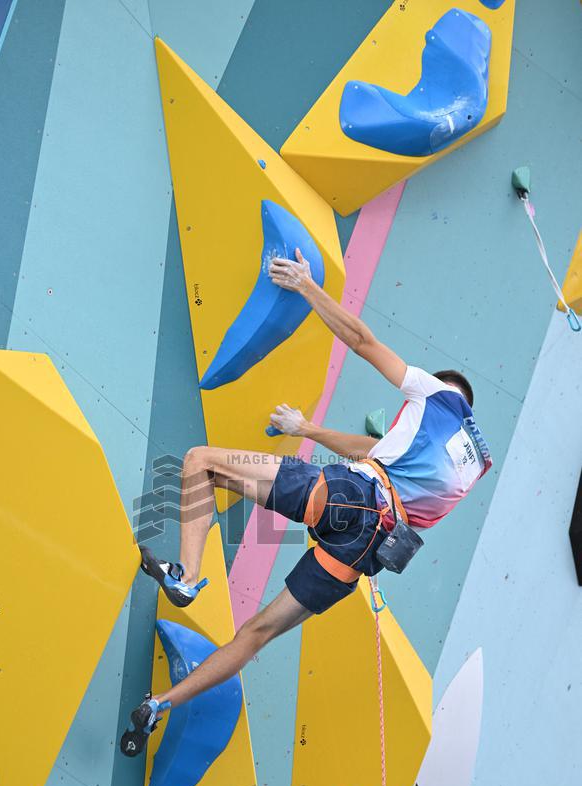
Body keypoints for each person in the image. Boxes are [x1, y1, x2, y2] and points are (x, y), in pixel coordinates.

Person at [120, 249, 492, 756]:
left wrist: (306, 286)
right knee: (257, 633)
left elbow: (364, 341)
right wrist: (308, 429)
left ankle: (185, 576)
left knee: (200, 461)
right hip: (362, 554)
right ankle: (159, 705)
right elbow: (374, 453)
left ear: (447, 391)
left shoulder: (440, 396)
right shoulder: (469, 468)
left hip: (349, 497)